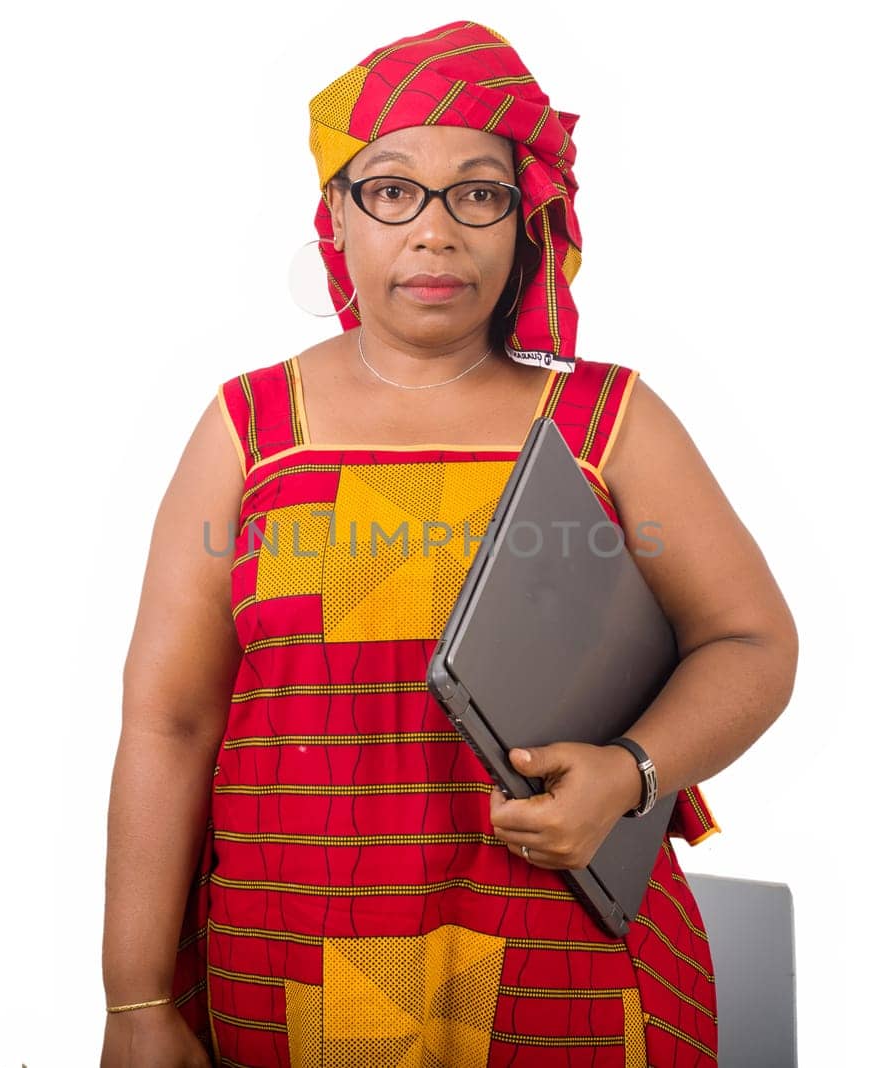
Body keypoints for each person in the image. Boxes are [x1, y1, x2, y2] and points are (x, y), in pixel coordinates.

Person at [100, 20, 797, 1068]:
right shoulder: (250, 429)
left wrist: (626, 775)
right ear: (336, 215)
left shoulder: (610, 421)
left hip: (573, 976)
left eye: (477, 193)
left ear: (526, 219)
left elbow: (750, 643)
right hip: (287, 977)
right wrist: (138, 1003)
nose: (435, 232)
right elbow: (170, 721)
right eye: (391, 189)